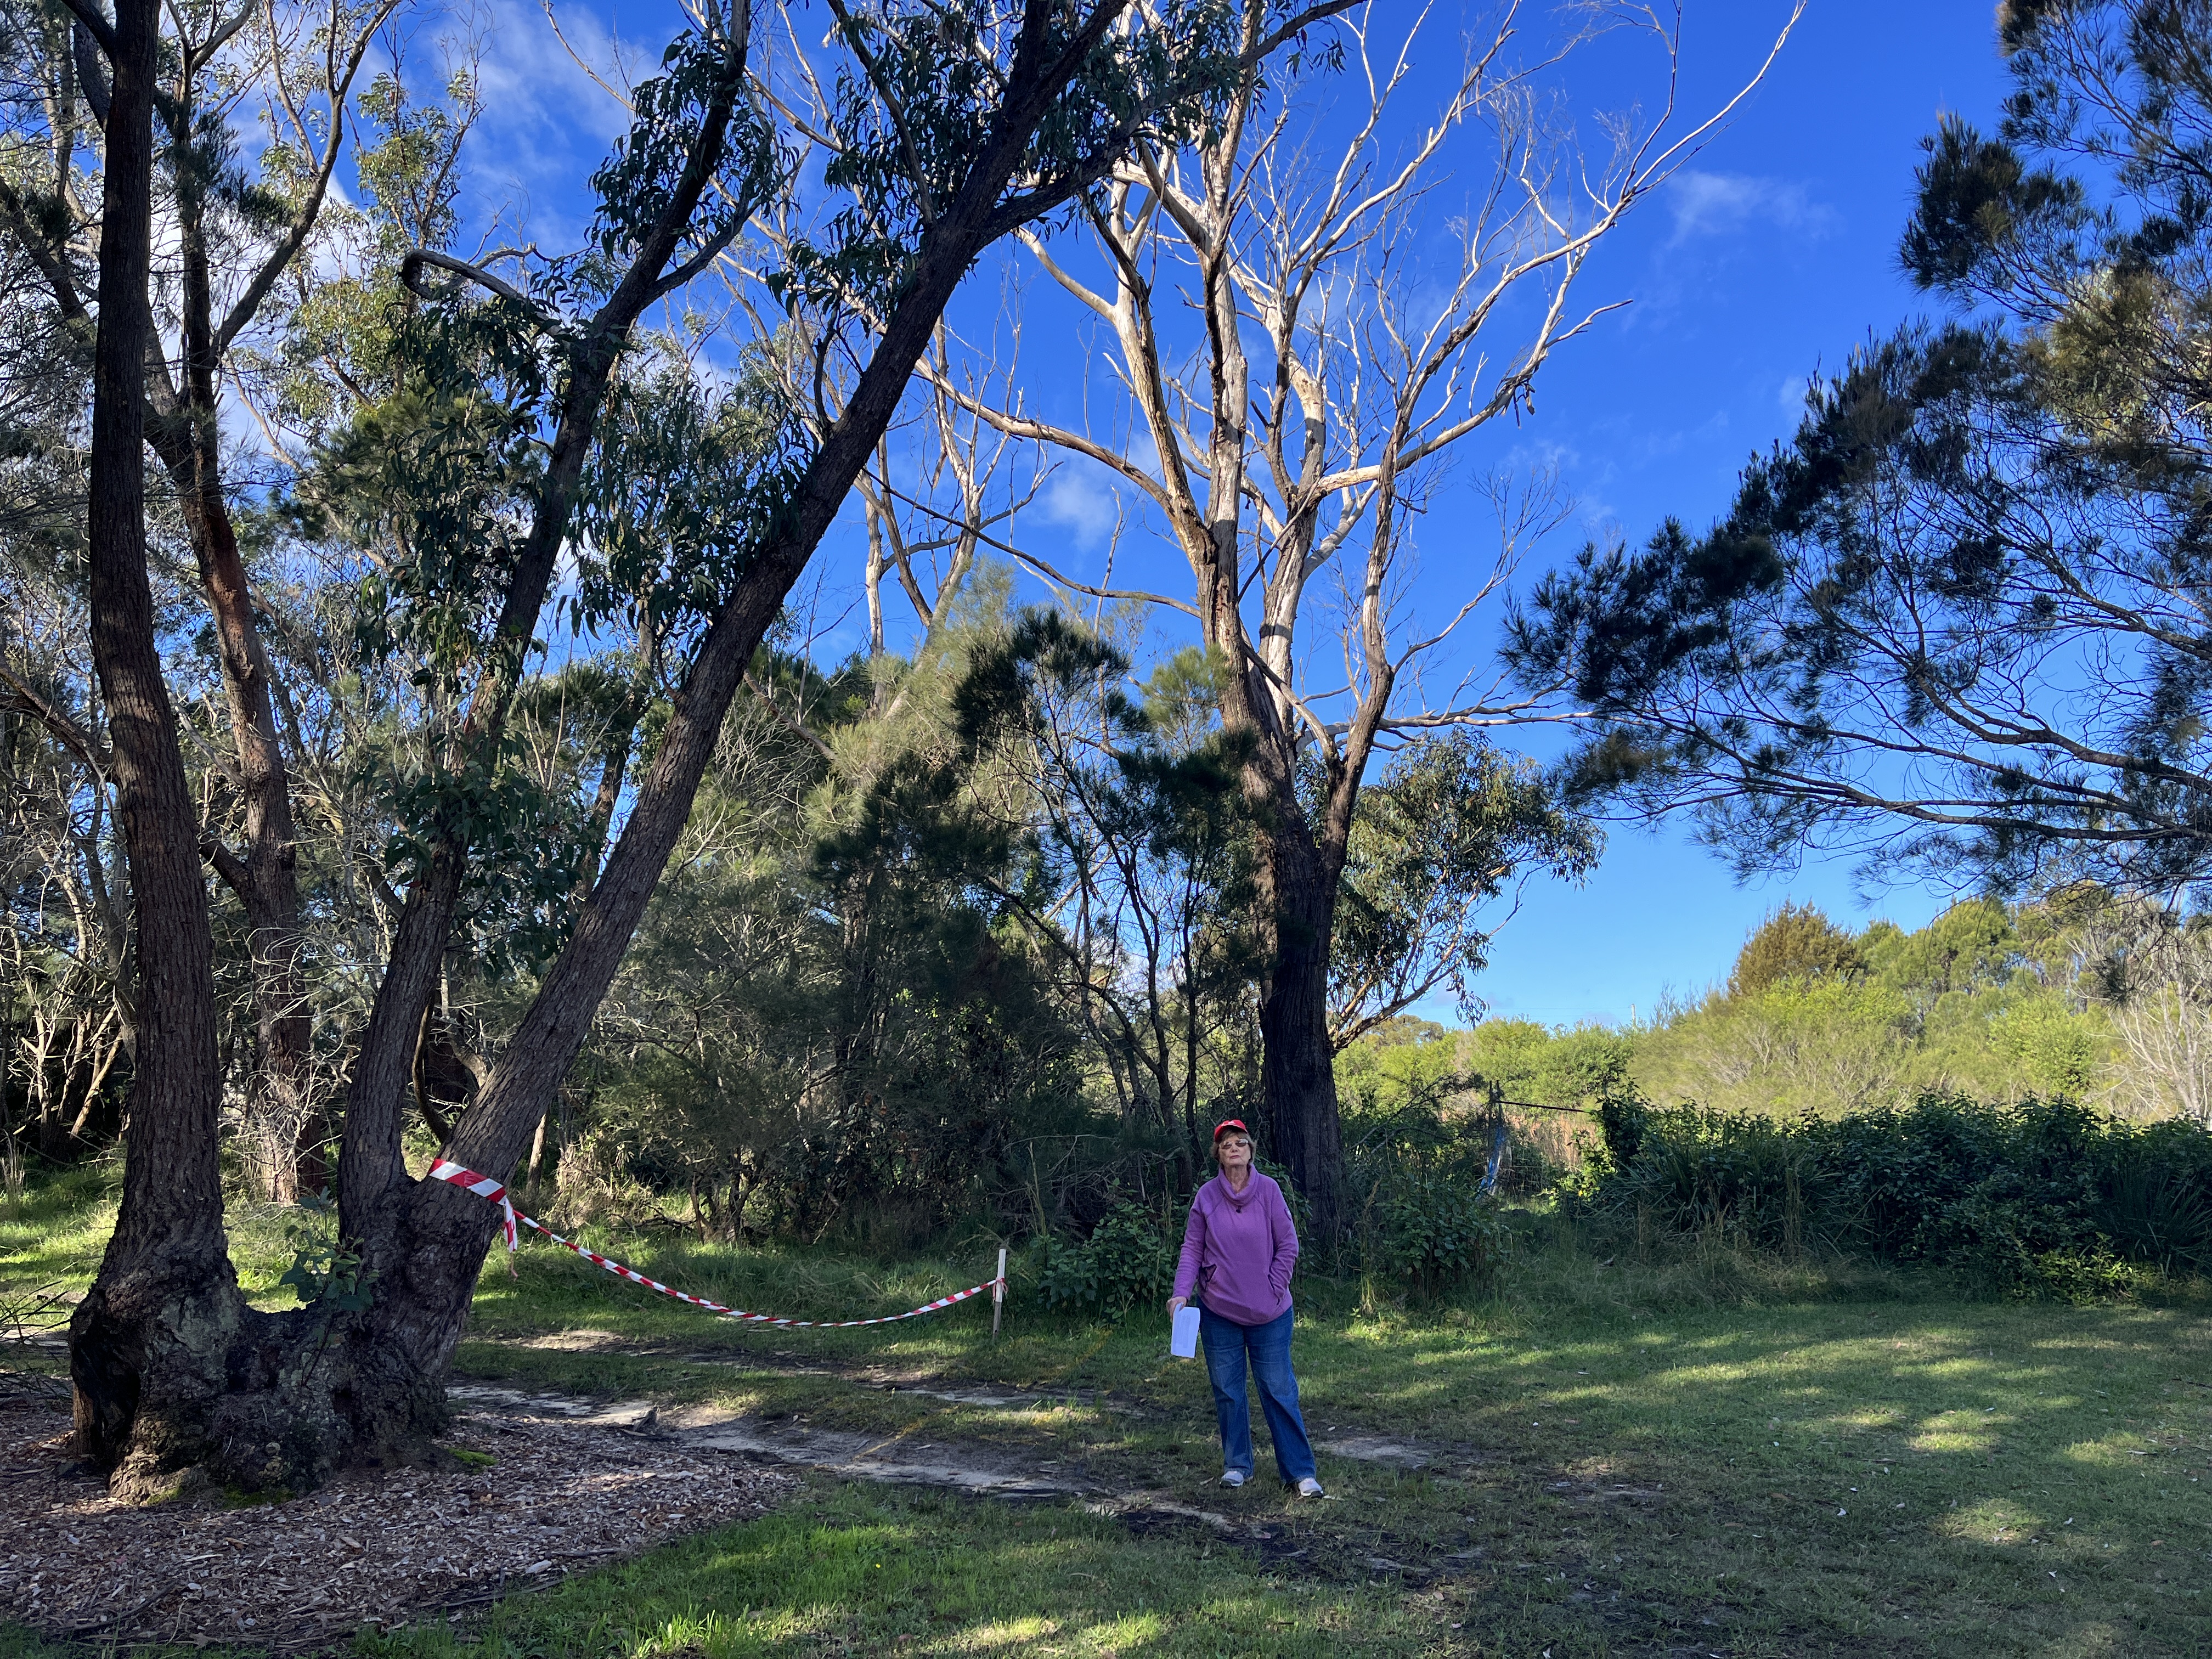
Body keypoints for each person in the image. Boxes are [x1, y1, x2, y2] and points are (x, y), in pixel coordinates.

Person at [1168, 1119, 1324, 1497]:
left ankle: (1300, 1473)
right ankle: (1237, 1465)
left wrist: (1274, 1288)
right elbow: (1192, 1248)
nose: (1234, 1148)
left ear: (1251, 1151)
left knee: (1279, 1389)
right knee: (1228, 1391)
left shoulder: (1269, 1190)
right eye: (1226, 1145)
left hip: (1270, 1313)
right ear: (1218, 1156)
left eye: (1240, 1142)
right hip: (1219, 1311)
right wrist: (1181, 1293)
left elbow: (1288, 1245)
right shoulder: (1206, 1197)